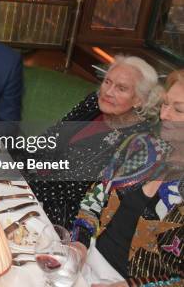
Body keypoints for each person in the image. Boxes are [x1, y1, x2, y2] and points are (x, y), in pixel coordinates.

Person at [71, 69, 183, 284]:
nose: (164, 115)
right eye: (165, 104)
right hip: (87, 262)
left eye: (178, 110)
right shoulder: (140, 146)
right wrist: (80, 244)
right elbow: (93, 201)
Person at [28, 56, 164, 228]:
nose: (108, 92)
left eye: (121, 88)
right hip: (34, 187)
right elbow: (50, 137)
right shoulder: (94, 102)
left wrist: (24, 186)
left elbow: (75, 189)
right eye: (108, 82)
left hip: (60, 215)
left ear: (139, 100)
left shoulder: (137, 141)